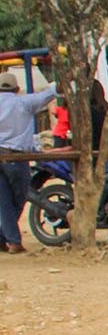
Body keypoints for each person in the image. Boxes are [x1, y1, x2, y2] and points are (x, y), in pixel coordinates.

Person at [0, 74, 56, 255]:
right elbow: (49, 94)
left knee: (4, 202)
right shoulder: (23, 102)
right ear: (17, 90)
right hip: (17, 159)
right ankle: (13, 241)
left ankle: (5, 238)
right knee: (19, 198)